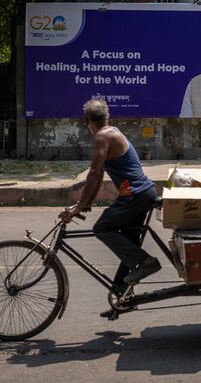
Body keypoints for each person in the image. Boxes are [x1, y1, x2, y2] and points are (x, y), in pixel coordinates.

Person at [59, 98, 161, 315]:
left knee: (102, 228)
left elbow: (94, 173)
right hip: (142, 193)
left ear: (87, 121)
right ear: (107, 117)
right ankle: (122, 296)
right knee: (129, 243)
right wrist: (84, 203)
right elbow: (100, 174)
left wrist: (78, 207)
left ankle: (147, 263)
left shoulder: (101, 137)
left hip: (135, 195)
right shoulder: (112, 132)